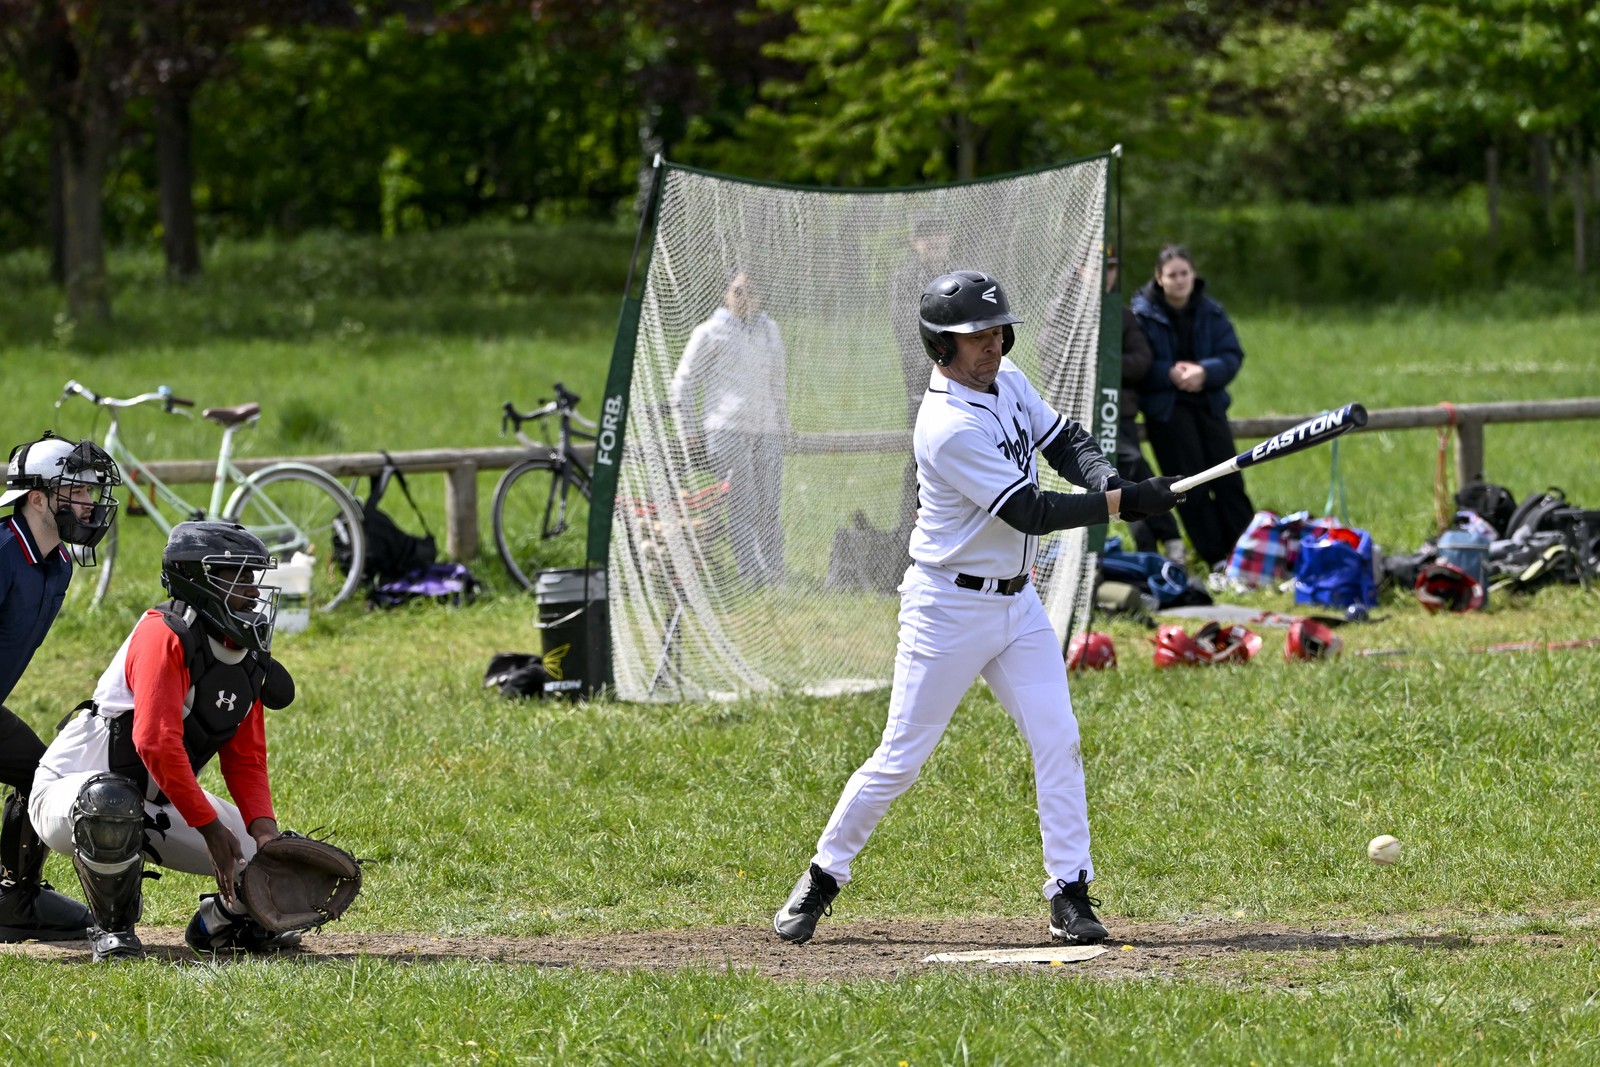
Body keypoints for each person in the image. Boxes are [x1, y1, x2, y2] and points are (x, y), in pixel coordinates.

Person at [772, 270, 1183, 946]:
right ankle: (821, 876)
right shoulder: (945, 425)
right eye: (975, 336)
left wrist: (1114, 480)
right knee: (901, 756)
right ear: (943, 347)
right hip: (947, 608)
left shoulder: (1007, 379)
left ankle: (1070, 893)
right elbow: (1032, 507)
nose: (992, 344)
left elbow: (1065, 440)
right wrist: (1125, 503)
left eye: (996, 331)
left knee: (1058, 737)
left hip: (1017, 603)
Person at [30, 521, 301, 961]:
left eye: (254, 576)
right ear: (196, 580)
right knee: (111, 803)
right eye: (237, 576)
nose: (252, 590)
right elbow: (154, 741)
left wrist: (264, 831)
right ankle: (112, 929)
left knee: (276, 866)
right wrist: (210, 829)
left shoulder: (243, 650)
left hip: (158, 800)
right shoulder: (164, 632)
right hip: (71, 792)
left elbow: (246, 759)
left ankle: (216, 925)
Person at [0, 431, 120, 943]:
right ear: (37, 499)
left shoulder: (59, 564)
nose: (89, 505)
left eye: (92, 493)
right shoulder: (3, 550)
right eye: (77, 492)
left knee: (40, 773)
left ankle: (15, 900)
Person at [1131, 244, 1256, 569]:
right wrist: (1168, 372)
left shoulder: (1211, 311)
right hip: (1167, 412)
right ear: (1159, 278)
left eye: (1184, 273)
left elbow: (1232, 355)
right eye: (1172, 275)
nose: (1179, 280)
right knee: (1192, 486)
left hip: (1209, 405)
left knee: (1231, 480)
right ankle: (1215, 556)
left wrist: (1205, 372)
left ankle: (1248, 553)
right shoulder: (1140, 314)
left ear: (1193, 274)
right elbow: (1137, 362)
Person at [669, 270, 791, 586]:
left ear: (761, 296)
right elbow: (683, 383)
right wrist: (689, 430)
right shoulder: (711, 331)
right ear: (726, 293)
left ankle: (776, 572)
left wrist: (783, 425)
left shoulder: (769, 331)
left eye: (750, 292)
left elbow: (778, 381)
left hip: (766, 430)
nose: (743, 298)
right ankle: (750, 574)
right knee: (743, 501)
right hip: (726, 429)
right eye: (737, 291)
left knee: (769, 502)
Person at [1109, 253, 1186, 563]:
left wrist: (1107, 364)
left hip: (1122, 412)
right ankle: (1166, 542)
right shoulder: (1066, 311)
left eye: (1113, 268)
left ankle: (1158, 551)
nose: (1108, 275)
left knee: (1128, 477)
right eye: (1102, 267)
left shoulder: (1123, 315)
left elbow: (1142, 361)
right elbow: (1057, 360)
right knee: (1128, 473)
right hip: (1083, 414)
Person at [887, 214, 955, 535]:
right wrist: (937, 364)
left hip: (958, 382)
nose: (934, 242)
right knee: (920, 459)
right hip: (922, 385)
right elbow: (906, 333)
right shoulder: (905, 279)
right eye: (926, 237)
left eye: (939, 234)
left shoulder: (958, 278)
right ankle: (909, 531)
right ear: (914, 243)